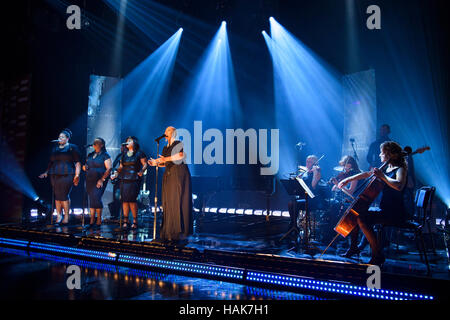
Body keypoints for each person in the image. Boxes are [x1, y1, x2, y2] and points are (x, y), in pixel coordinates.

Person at [338, 141, 408, 265]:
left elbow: (399, 185)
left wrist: (383, 177)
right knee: (357, 214)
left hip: (395, 212)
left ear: (388, 154)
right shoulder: (386, 167)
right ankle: (354, 247)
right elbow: (367, 174)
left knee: (362, 219)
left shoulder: (400, 168)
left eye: (382, 153)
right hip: (385, 208)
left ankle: (377, 254)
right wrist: (348, 179)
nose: (380, 155)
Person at [148, 126, 193, 242]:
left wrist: (164, 159)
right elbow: (166, 163)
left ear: (173, 133)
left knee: (177, 200)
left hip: (179, 173)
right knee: (168, 201)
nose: (165, 132)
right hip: (169, 174)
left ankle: (179, 231)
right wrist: (156, 163)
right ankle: (169, 230)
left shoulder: (178, 143)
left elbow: (180, 156)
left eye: (168, 131)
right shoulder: (164, 147)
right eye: (165, 131)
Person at [39, 128, 81, 224]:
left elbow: (77, 162)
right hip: (55, 174)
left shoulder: (72, 147)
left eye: (62, 137)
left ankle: (66, 216)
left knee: (64, 195)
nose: (60, 138)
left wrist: (77, 175)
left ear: (67, 138)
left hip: (67, 174)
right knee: (57, 195)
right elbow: (51, 162)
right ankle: (58, 215)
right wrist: (46, 172)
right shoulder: (55, 148)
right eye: (59, 137)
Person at [111, 136, 147, 229]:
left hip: (134, 179)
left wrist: (141, 171)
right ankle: (125, 220)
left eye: (130, 141)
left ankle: (135, 220)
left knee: (131, 200)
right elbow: (120, 167)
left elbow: (145, 164)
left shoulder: (139, 153)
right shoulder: (124, 154)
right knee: (124, 200)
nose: (127, 142)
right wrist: (115, 174)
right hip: (124, 179)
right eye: (127, 141)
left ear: (134, 142)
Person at [83, 138, 112, 227]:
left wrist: (102, 179)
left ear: (102, 145)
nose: (94, 143)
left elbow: (109, 168)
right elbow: (86, 165)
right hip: (89, 179)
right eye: (94, 142)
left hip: (99, 178)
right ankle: (92, 219)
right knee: (91, 198)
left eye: (97, 142)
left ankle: (99, 218)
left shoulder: (105, 155)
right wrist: (85, 167)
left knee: (96, 197)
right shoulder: (90, 154)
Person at [287, 155, 321, 230]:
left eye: (309, 162)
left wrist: (315, 172)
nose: (307, 163)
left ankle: (294, 225)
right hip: (303, 197)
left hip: (312, 200)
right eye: (307, 161)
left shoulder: (317, 173)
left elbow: (313, 186)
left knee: (294, 203)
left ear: (314, 164)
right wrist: (297, 179)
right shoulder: (305, 172)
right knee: (291, 203)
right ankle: (293, 224)